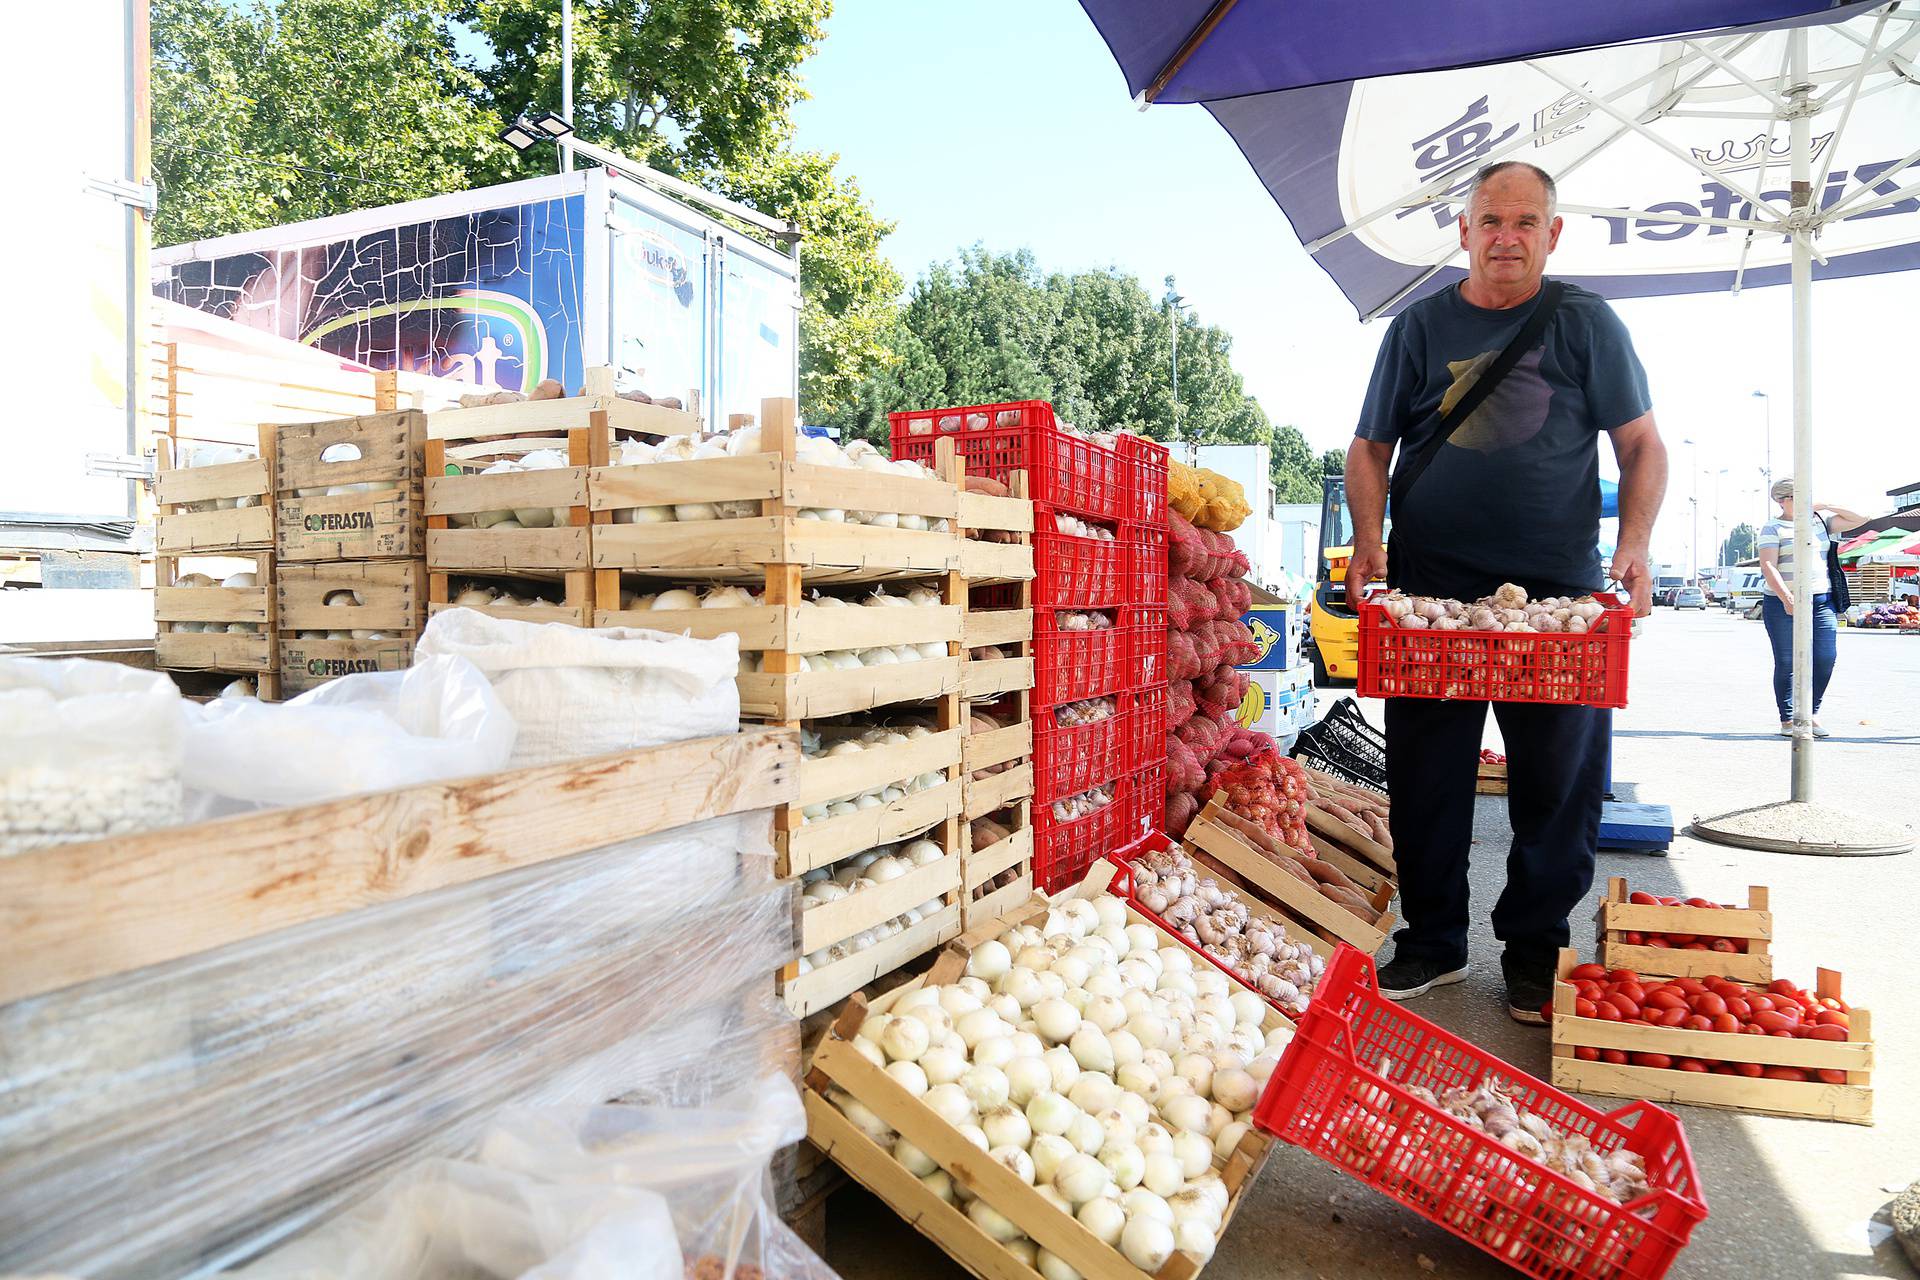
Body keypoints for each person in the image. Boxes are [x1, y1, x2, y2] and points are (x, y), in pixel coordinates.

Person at [1343, 160, 1668, 1024]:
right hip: (1430, 594)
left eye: (1526, 222)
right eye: (1491, 220)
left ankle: (1534, 950)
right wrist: (1368, 544)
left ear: (1552, 234)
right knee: (1425, 777)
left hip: (1558, 596)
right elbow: (1369, 447)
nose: (1507, 237)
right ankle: (1433, 941)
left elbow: (1642, 445)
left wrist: (1634, 546)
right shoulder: (1417, 328)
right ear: (1463, 231)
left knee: (1558, 780)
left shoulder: (1586, 324)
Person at [1756, 479, 1870, 736]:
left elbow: (1861, 518)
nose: (1805, 501)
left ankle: (1810, 712)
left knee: (1825, 657)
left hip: (1821, 600)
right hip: (1780, 601)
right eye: (1799, 497)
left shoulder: (1819, 522)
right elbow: (1768, 566)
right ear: (1782, 500)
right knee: (1787, 662)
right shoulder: (1772, 528)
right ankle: (1788, 719)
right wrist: (1786, 597)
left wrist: (1827, 505)